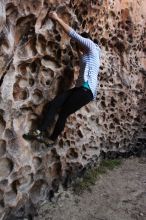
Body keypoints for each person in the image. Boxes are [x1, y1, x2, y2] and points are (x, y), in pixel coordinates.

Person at [23, 11, 101, 145]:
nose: (80, 48)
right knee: (55, 104)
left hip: (86, 92)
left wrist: (57, 18)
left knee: (63, 113)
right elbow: (81, 58)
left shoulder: (91, 46)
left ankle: (52, 139)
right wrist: (77, 50)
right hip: (79, 89)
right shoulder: (87, 56)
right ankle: (39, 131)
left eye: (79, 44)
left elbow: (73, 34)